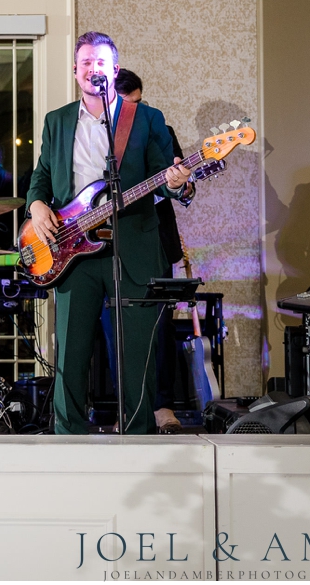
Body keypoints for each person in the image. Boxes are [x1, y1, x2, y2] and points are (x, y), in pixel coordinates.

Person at [25, 32, 193, 435]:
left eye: (100, 62)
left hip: (132, 246)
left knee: (137, 355)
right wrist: (36, 206)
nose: (92, 68)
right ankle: (69, 438)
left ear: (113, 70)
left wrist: (178, 181)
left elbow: (165, 180)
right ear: (75, 70)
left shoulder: (147, 119)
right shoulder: (57, 121)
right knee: (71, 354)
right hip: (71, 251)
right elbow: (41, 178)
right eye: (85, 62)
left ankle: (136, 439)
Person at [113, 68, 190, 433]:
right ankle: (124, 407)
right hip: (106, 245)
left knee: (159, 326)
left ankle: (162, 406)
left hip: (154, 239)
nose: (136, 112)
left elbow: (180, 188)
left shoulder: (160, 129)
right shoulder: (93, 136)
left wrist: (179, 184)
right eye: (129, 105)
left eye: (139, 104)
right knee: (114, 330)